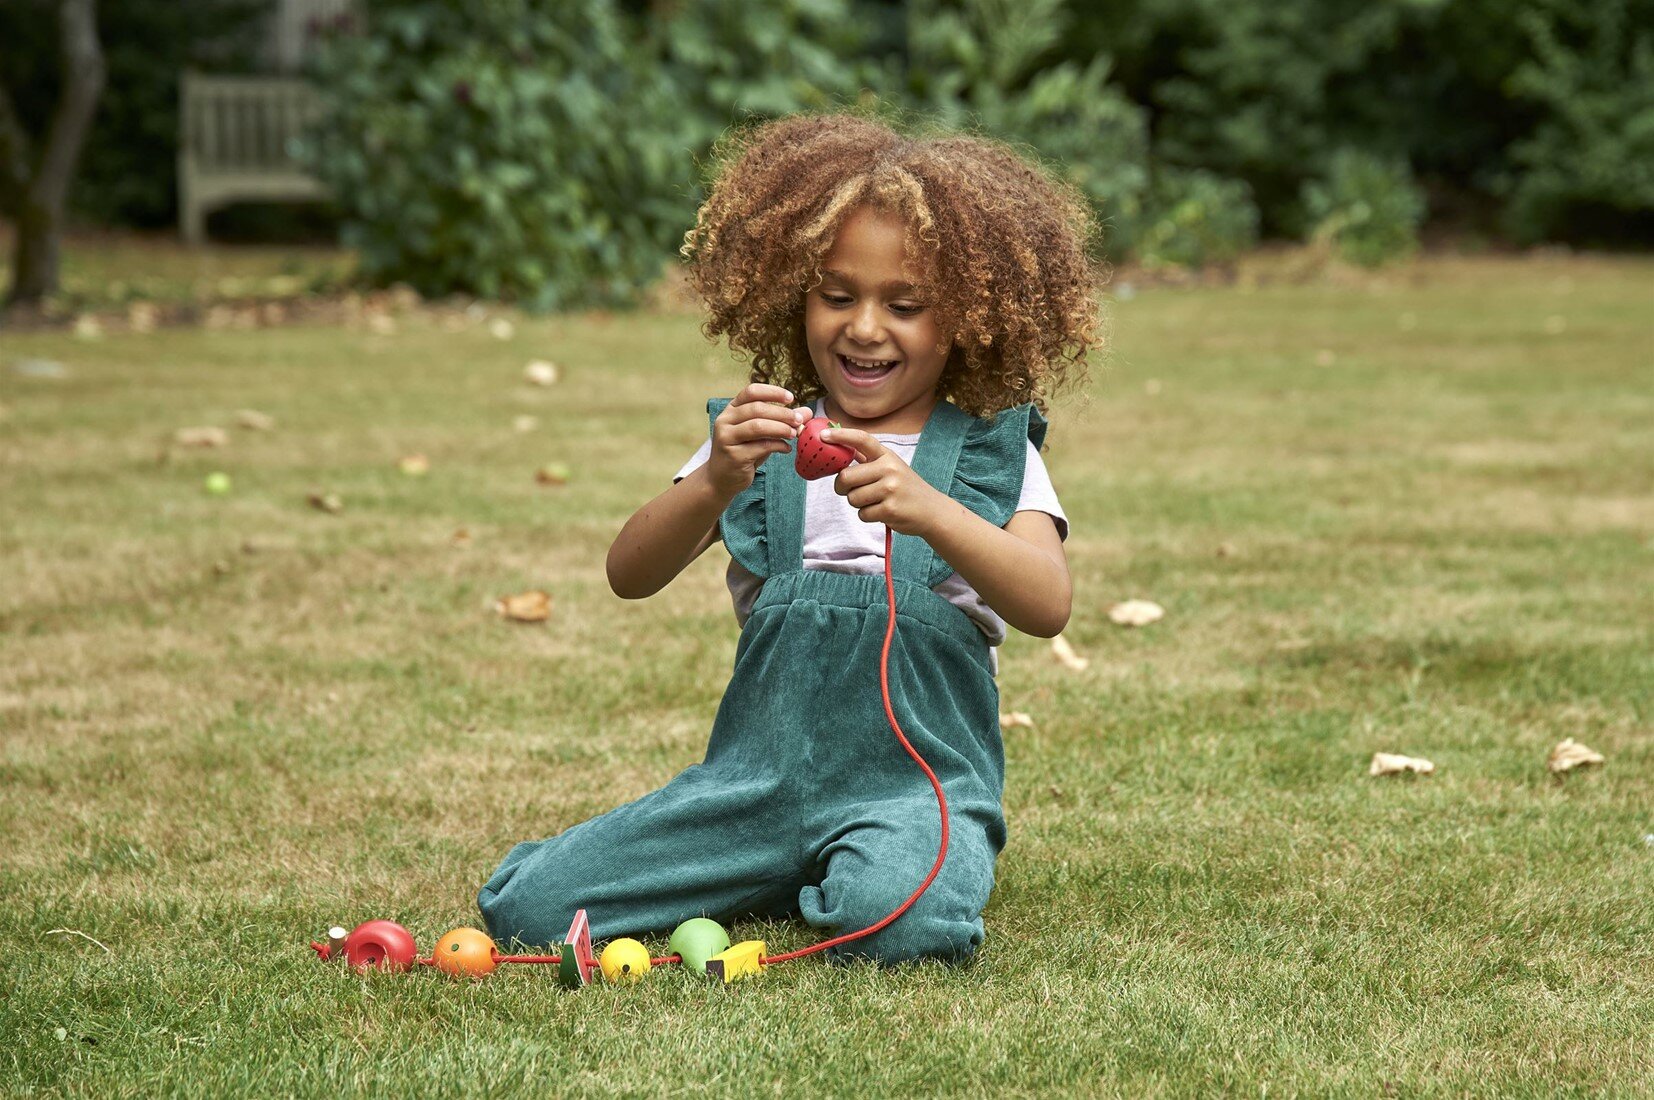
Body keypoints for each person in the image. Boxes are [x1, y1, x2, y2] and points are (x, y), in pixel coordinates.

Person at [479, 112, 1102, 965]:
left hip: (914, 790)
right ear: (796, 296)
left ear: (965, 318)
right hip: (751, 789)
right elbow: (630, 573)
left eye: (906, 305)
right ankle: (775, 865)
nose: (865, 327)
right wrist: (714, 482)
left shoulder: (990, 453)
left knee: (903, 924)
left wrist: (932, 511)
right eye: (837, 295)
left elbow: (1048, 603)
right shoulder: (762, 436)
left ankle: (858, 868)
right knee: (529, 908)